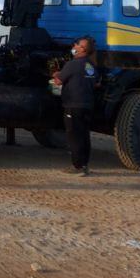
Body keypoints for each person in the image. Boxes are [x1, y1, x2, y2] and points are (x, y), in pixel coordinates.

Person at [52, 35, 98, 175]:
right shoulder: (91, 66)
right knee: (84, 135)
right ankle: (85, 165)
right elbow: (96, 83)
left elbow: (59, 81)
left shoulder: (72, 64)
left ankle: (77, 167)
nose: (75, 46)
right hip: (87, 104)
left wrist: (56, 74)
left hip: (73, 104)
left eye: (78, 44)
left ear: (83, 50)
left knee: (74, 136)